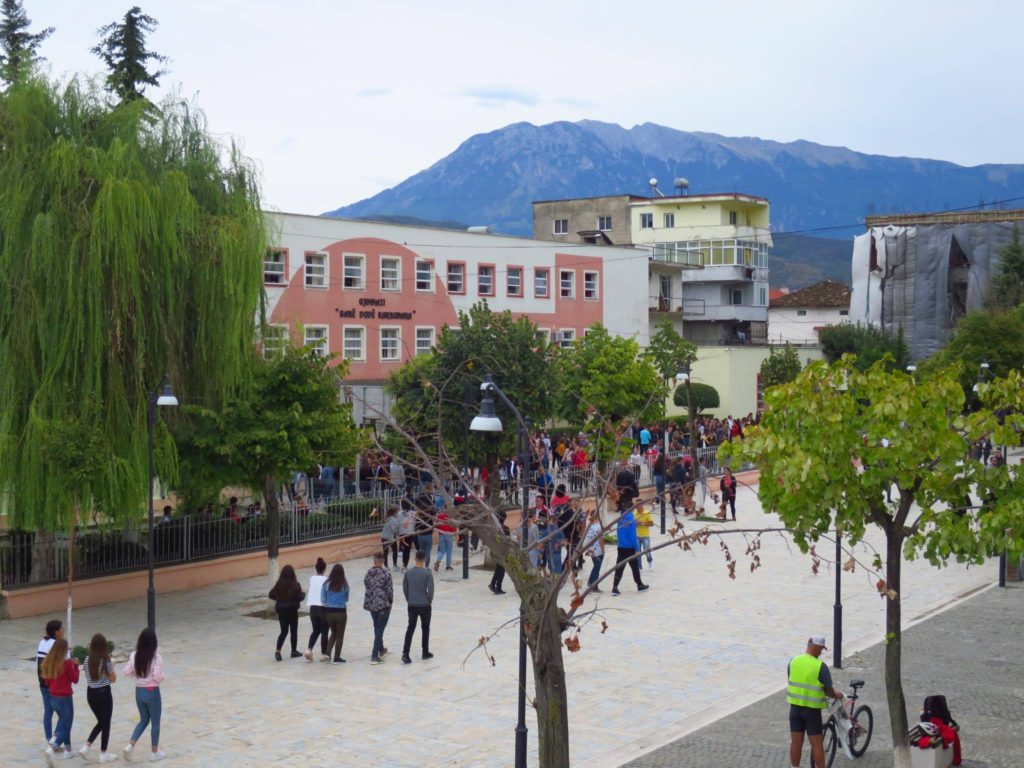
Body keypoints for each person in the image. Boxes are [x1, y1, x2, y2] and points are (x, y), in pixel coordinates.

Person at [788, 635, 842, 768]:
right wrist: (838, 695)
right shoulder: (820, 666)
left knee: (796, 743)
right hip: (811, 712)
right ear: (816, 648)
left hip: (794, 709)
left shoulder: (793, 661)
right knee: (817, 745)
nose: (821, 652)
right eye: (821, 649)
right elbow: (829, 691)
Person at [122, 628, 166, 762]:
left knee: (143, 720)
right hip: (152, 691)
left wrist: (138, 674)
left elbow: (127, 671)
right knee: (155, 722)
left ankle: (131, 745)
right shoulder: (156, 657)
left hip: (139, 691)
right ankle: (154, 752)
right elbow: (157, 677)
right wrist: (163, 676)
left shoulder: (134, 655)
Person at [79, 632, 118, 763]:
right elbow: (113, 679)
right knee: (105, 723)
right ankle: (103, 753)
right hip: (104, 694)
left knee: (102, 721)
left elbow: (89, 677)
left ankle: (87, 746)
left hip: (91, 694)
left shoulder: (86, 660)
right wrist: (111, 668)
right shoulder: (106, 661)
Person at [41, 637, 78, 765]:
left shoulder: (48, 662)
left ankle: (68, 749)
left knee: (63, 722)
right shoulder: (66, 663)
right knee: (67, 725)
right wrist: (76, 666)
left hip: (52, 697)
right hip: (65, 698)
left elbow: (46, 681)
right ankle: (52, 747)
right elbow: (75, 679)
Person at [402, 551, 435, 663]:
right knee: (425, 628)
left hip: (412, 604)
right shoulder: (427, 573)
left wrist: (409, 599)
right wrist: (428, 601)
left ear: (415, 559)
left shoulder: (408, 573)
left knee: (410, 628)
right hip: (424, 605)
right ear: (424, 559)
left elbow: (405, 588)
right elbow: (431, 591)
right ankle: (425, 651)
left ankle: (405, 653)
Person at [612, 498, 649, 595]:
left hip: (621, 546)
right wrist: (637, 549)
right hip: (630, 548)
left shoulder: (620, 519)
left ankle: (615, 587)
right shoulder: (632, 520)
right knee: (635, 567)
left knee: (619, 567)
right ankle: (639, 585)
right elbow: (633, 536)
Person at [268, 564, 306, 661]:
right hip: (292, 611)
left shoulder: (278, 584)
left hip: (282, 611)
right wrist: (303, 594)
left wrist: (278, 599)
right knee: (293, 631)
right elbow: (300, 597)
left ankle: (278, 651)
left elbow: (270, 594)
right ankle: (293, 651)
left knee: (283, 632)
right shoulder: (296, 585)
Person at [37, 619, 63, 750]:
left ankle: (49, 739)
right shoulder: (56, 644)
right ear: (56, 632)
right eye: (62, 629)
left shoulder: (42, 642)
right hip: (52, 683)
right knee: (64, 715)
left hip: (42, 682)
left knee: (48, 710)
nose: (63, 631)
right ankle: (55, 741)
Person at [364, 552, 394, 664]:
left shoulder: (369, 573)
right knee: (379, 629)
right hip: (383, 604)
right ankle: (374, 656)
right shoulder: (386, 574)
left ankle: (381, 649)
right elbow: (389, 590)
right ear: (383, 561)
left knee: (377, 626)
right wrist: (390, 601)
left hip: (371, 604)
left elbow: (366, 584)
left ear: (374, 561)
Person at [321, 563, 350, 663]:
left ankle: (327, 652)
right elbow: (346, 599)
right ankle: (337, 657)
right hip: (341, 612)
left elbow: (323, 599)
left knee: (333, 632)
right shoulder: (344, 584)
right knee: (339, 636)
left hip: (329, 613)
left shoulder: (326, 583)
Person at [304, 557, 330, 662]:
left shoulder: (312, 578)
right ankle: (323, 653)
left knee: (315, 630)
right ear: (324, 569)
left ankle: (309, 649)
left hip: (313, 608)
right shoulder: (327, 579)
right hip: (323, 607)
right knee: (324, 631)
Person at [488, 510, 510, 595]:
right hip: (502, 552)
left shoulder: (494, 529)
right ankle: (498, 587)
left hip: (495, 551)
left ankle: (493, 584)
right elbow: (508, 542)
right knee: (501, 570)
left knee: (498, 569)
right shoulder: (505, 529)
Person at [583, 509, 604, 591]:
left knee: (596, 567)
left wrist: (588, 549)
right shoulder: (598, 526)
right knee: (597, 568)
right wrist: (603, 550)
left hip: (591, 549)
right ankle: (592, 584)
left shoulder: (589, 525)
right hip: (597, 550)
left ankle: (594, 585)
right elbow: (601, 540)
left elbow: (587, 538)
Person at [635, 502, 654, 570]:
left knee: (647, 551)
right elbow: (632, 525)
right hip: (637, 536)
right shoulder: (635, 514)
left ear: (642, 505)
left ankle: (650, 561)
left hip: (645, 535)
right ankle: (639, 567)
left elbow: (651, 524)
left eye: (638, 505)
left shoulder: (647, 512)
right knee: (638, 552)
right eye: (636, 505)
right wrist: (636, 523)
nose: (636, 507)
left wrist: (642, 523)